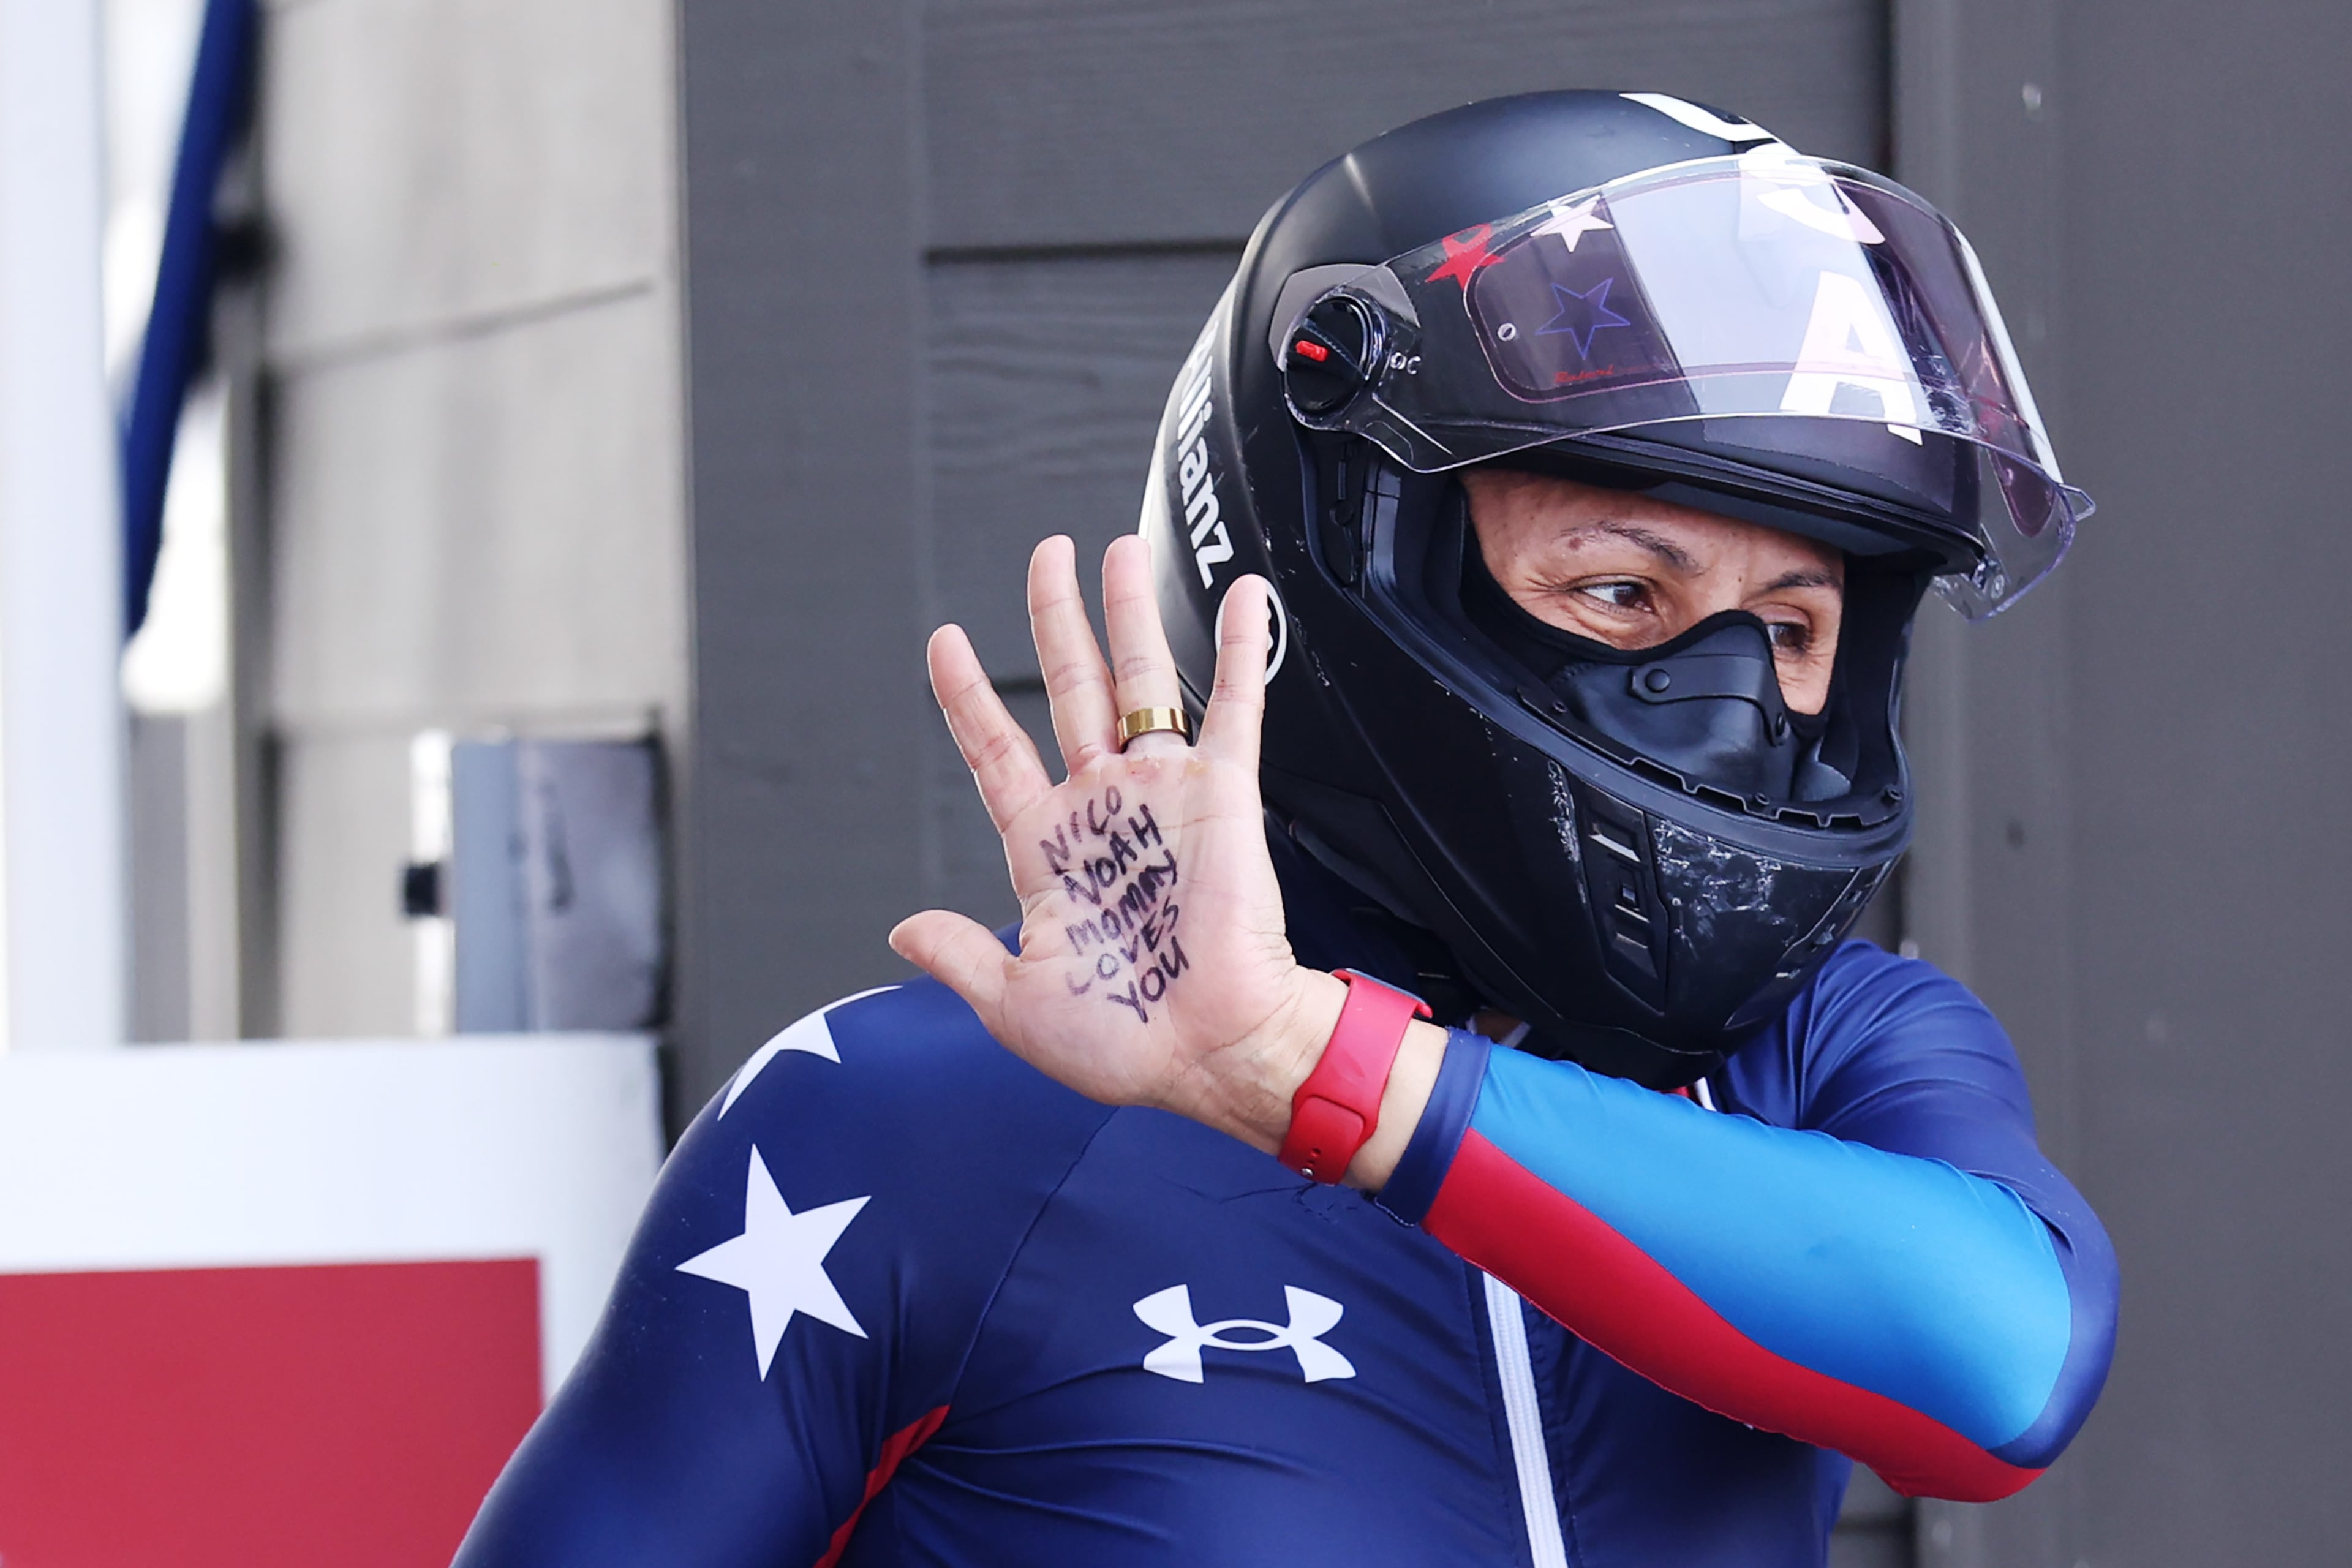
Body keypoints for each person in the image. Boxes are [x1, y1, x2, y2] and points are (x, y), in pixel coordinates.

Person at [453, 91, 2116, 1567]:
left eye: (1794, 629)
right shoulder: (922, 1124)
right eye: (1623, 590)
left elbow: (2000, 1371)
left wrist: (1302, 1067)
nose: (1733, 705)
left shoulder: (1833, 1051)